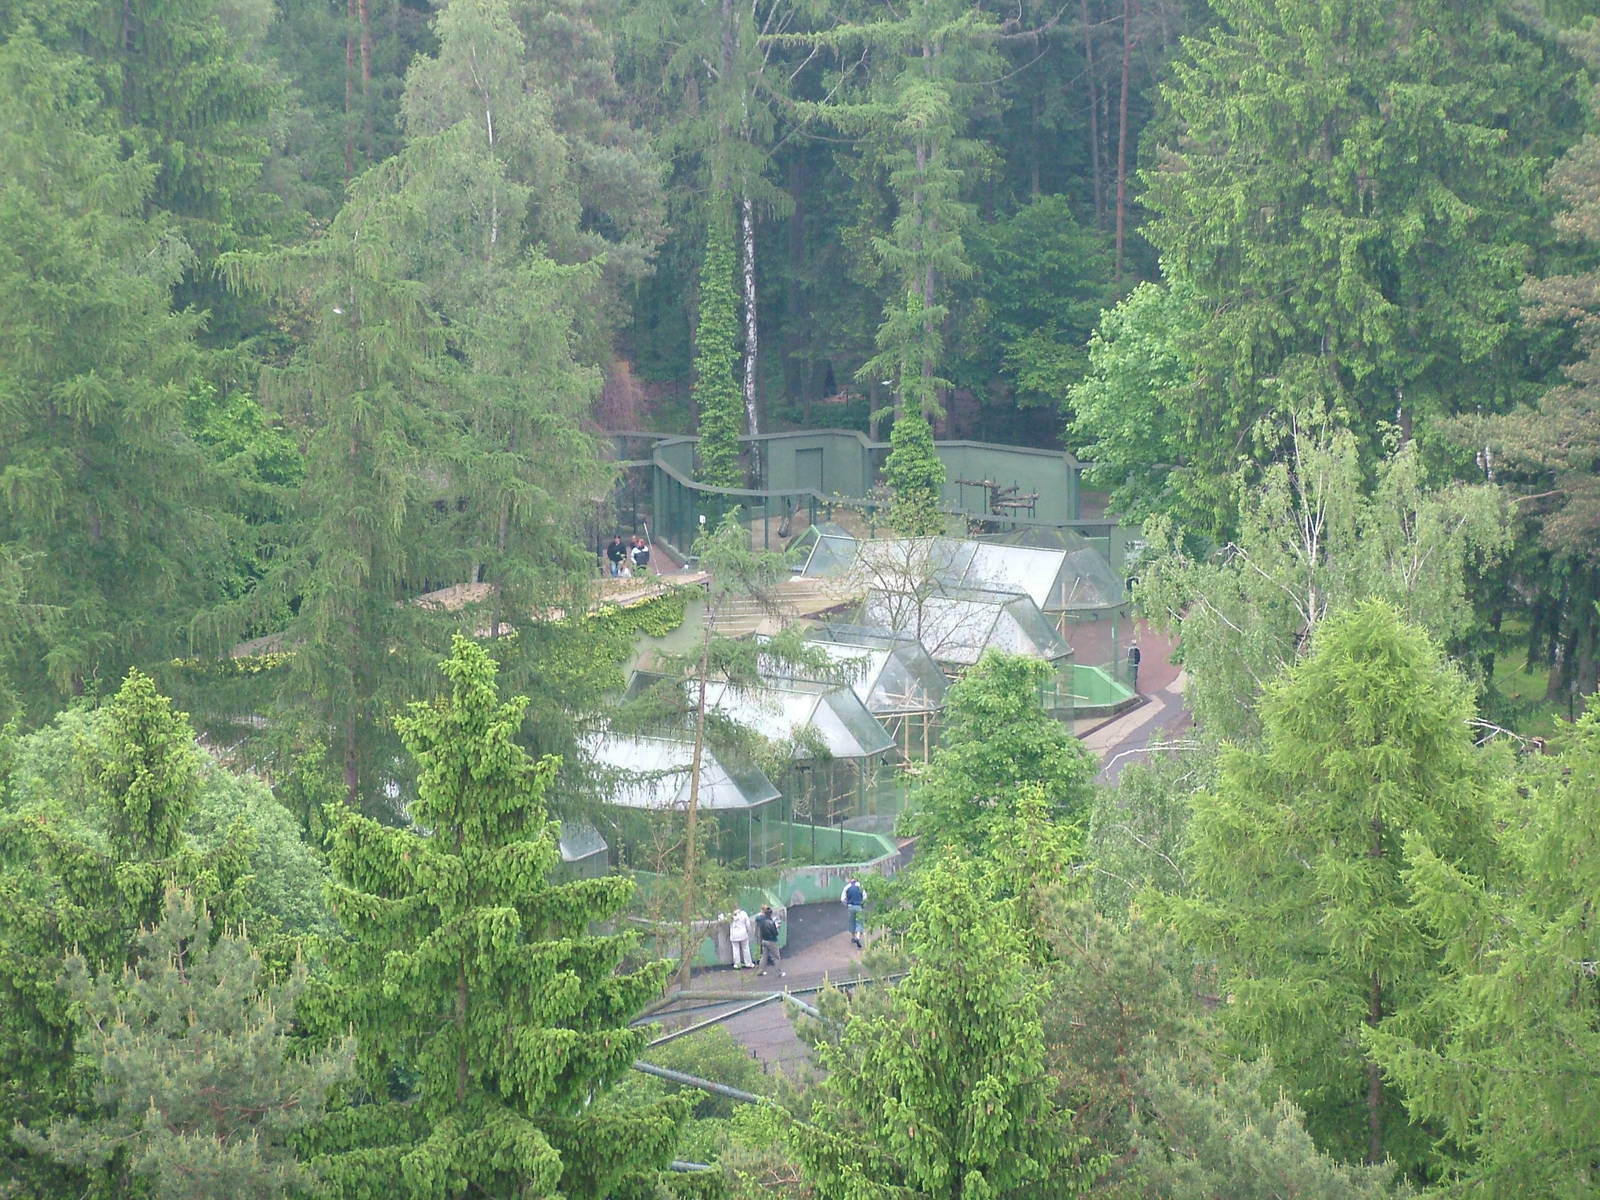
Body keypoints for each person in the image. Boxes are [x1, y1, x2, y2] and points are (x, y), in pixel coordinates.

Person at [754, 904, 783, 977]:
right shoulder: (771, 922)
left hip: (764, 940)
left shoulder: (760, 920)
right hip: (772, 941)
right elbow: (775, 933)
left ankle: (760, 971)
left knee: (764, 957)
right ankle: (779, 972)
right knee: (776, 957)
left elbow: (757, 918)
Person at [841, 877, 867, 948]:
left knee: (851, 921)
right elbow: (865, 897)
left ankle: (853, 937)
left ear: (850, 880)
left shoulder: (847, 887)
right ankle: (858, 937)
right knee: (859, 921)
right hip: (859, 906)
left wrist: (846, 904)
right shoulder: (861, 887)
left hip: (850, 906)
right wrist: (863, 904)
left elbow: (842, 899)